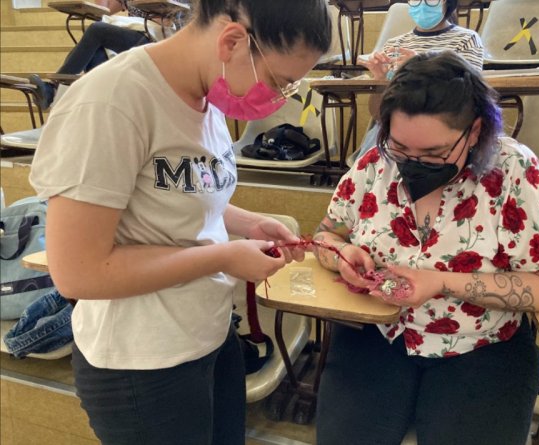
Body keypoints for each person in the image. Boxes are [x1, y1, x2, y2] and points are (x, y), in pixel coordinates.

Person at [29, 1, 331, 444]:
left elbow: (180, 197)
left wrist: (248, 223)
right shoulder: (111, 102)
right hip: (142, 363)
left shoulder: (208, 89)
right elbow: (79, 272)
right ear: (232, 41)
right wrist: (223, 257)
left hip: (207, 334)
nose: (279, 98)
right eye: (279, 81)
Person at [313, 51, 539, 445]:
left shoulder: (515, 172)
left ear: (474, 131)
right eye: (400, 148)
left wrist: (440, 282)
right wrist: (341, 256)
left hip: (482, 346)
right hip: (378, 333)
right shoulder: (374, 165)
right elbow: (324, 236)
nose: (413, 163)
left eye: (434, 154)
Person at [352, 0, 483, 161]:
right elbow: (379, 114)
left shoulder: (467, 40)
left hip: (445, 129)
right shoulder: (394, 45)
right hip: (398, 132)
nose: (422, 4)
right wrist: (379, 80)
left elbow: (471, 98)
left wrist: (422, 66)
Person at [29, 0, 179, 109]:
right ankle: (93, 106)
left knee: (97, 30)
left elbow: (171, 13)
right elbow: (103, 10)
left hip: (157, 35)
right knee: (96, 53)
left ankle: (55, 90)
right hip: (136, 31)